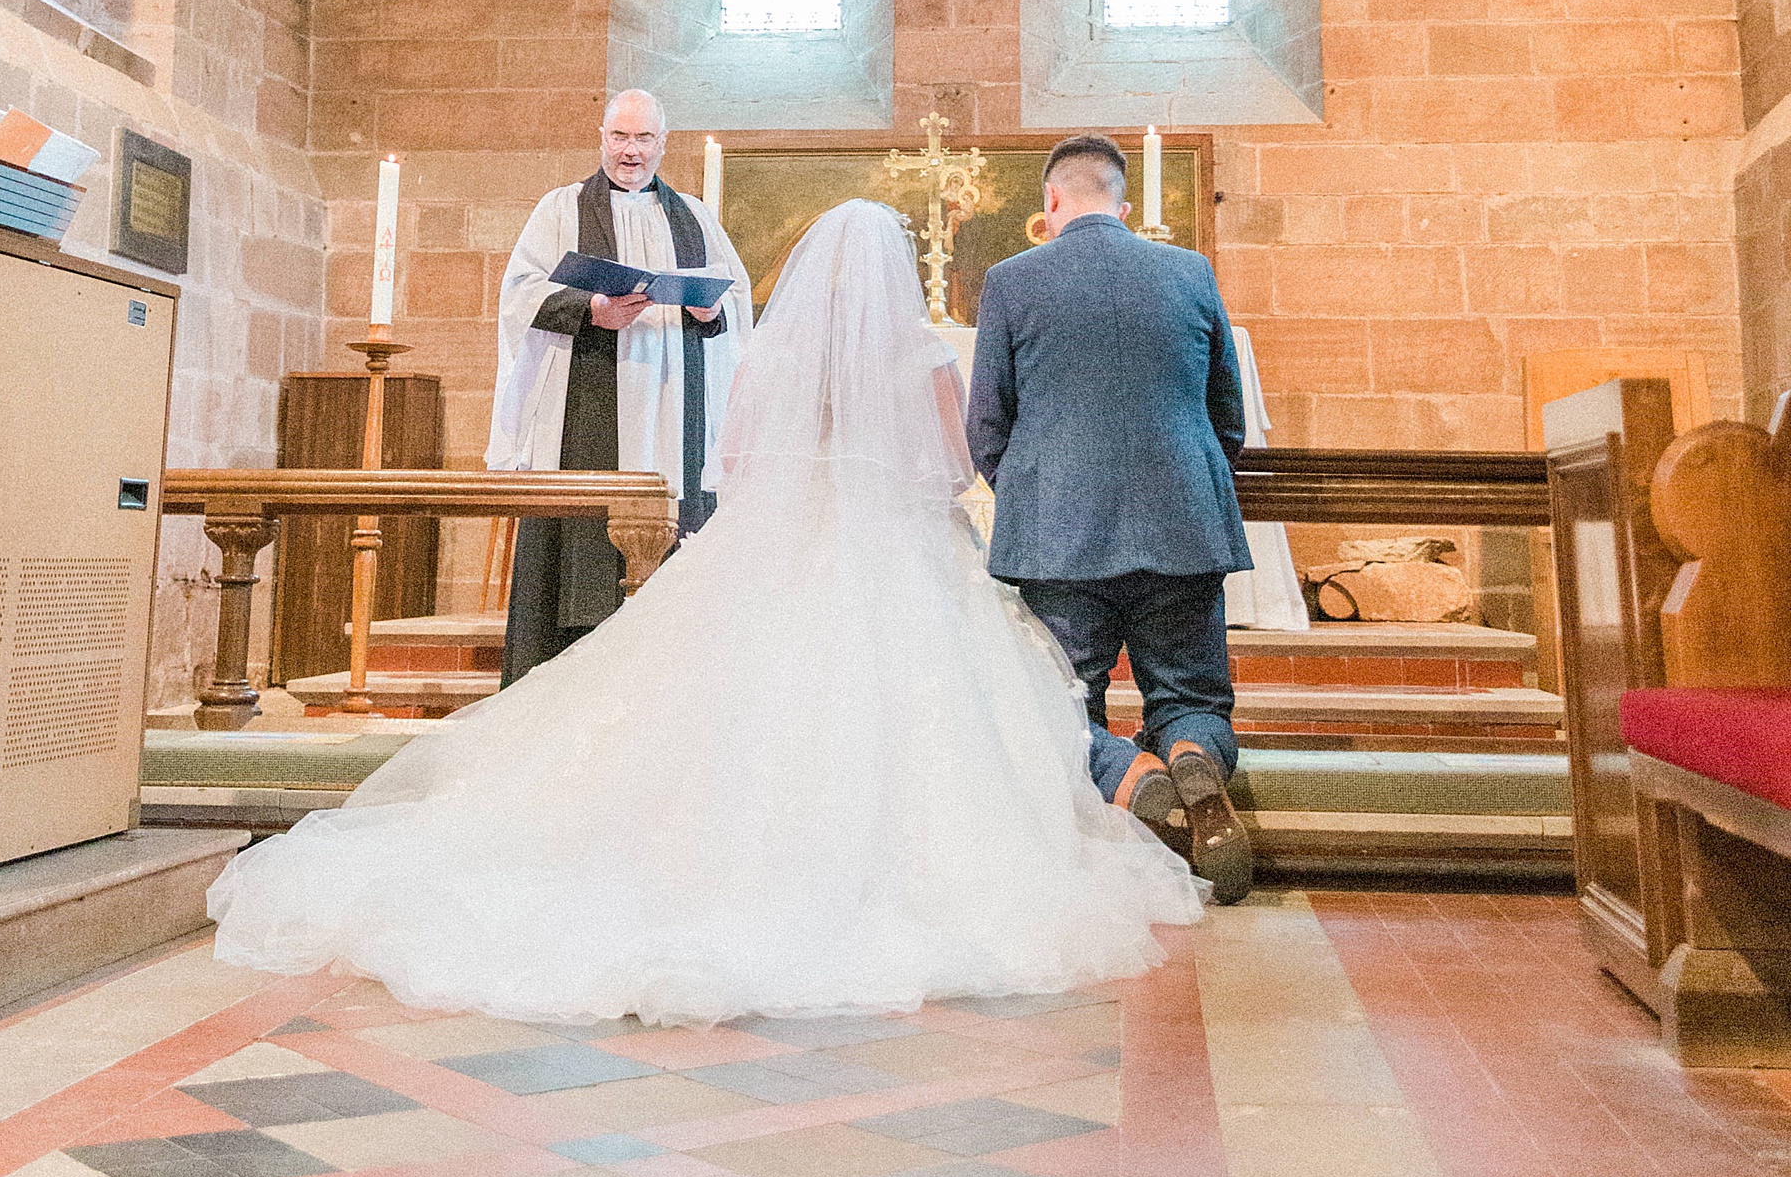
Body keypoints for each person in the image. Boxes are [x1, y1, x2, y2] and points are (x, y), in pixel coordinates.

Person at [209, 203, 1200, 1022]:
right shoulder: (921, 362)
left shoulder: (769, 356)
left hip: (767, 562)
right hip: (897, 560)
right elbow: (946, 472)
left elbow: (731, 468)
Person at [966, 132, 1256, 904]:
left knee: (1061, 703)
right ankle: (1192, 754)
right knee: (1193, 693)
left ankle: (1134, 777)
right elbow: (1228, 414)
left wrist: (1039, 492)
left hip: (1059, 537)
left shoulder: (1010, 281)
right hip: (1183, 527)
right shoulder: (1189, 271)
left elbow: (987, 426)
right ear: (1126, 206)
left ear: (1051, 202)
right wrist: (1183, 488)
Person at [489, 91, 751, 686]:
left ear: (663, 143)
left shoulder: (693, 216)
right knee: (584, 543)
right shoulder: (560, 208)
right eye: (620, 138)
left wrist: (711, 313)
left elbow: (733, 295)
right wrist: (593, 307)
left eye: (644, 139)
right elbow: (519, 291)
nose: (631, 151)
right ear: (601, 136)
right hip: (589, 399)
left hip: (672, 402)